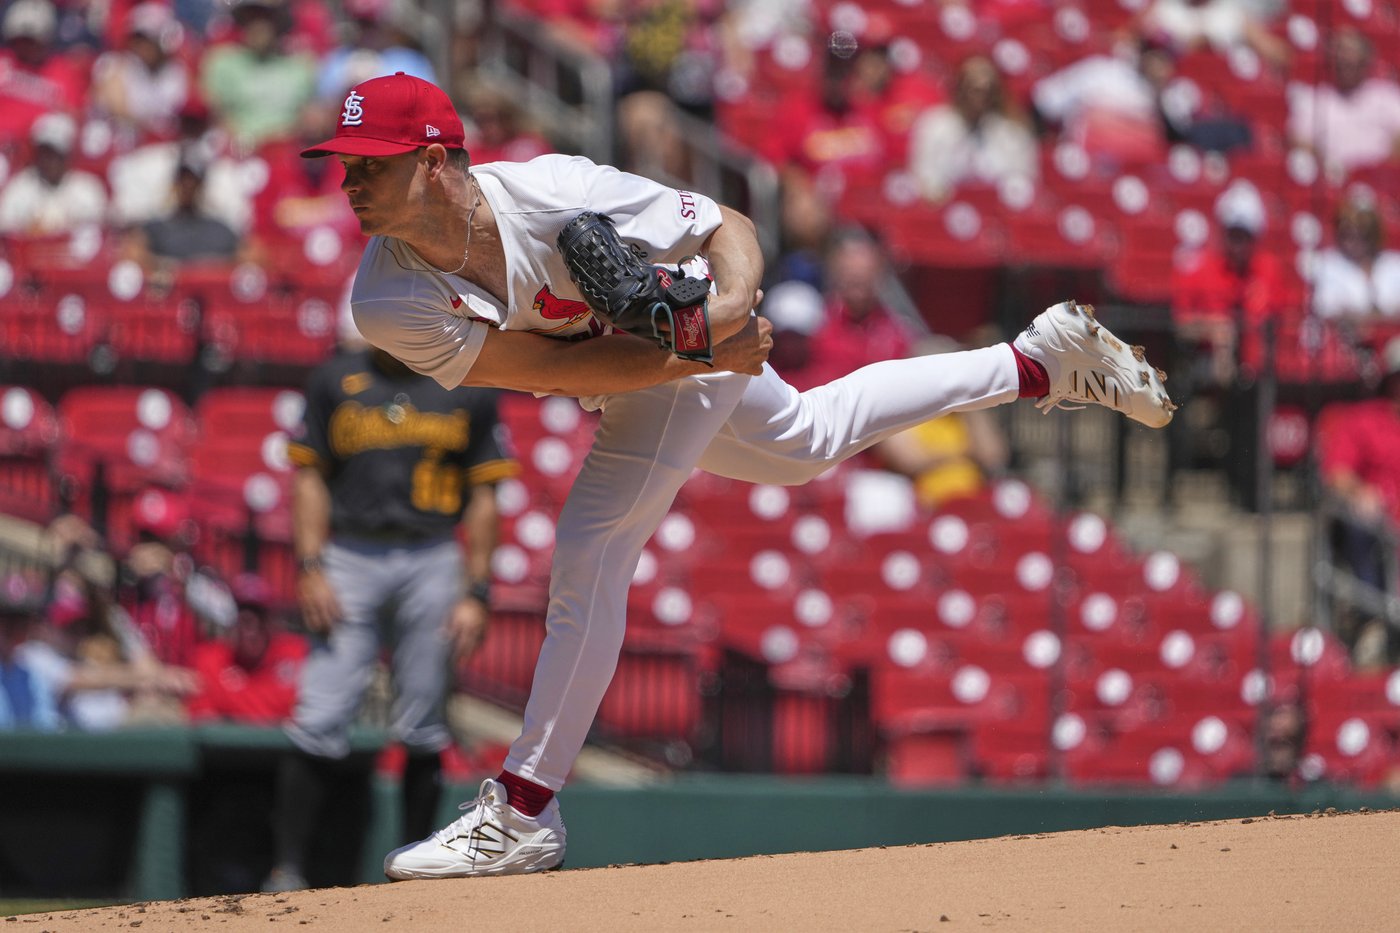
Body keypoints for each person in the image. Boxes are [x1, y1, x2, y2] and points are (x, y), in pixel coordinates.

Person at [300, 72, 1174, 880]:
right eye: (343, 166)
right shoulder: (381, 299)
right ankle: (1034, 361)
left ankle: (526, 806)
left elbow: (728, 224)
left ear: (431, 162)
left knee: (593, 542)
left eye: (366, 166)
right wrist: (698, 352)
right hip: (656, 360)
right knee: (805, 440)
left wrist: (723, 310)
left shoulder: (555, 191)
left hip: (685, 323)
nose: (348, 183)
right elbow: (557, 371)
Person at [263, 320, 518, 892]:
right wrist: (310, 567)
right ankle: (288, 868)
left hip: (432, 553)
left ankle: (415, 871)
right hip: (349, 554)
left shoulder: (464, 382)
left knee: (424, 721)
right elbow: (309, 478)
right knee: (320, 712)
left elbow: (484, 494)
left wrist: (476, 592)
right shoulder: (335, 378)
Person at [1171, 178, 1292, 384]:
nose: (1238, 244)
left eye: (1244, 236)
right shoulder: (1198, 269)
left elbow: (1282, 319)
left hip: (1262, 369)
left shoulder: (1269, 270)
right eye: (1233, 234)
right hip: (1208, 363)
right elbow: (1180, 325)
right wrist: (1214, 329)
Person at [908, 55, 1038, 204]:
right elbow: (922, 175)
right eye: (974, 89)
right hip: (944, 208)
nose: (980, 98)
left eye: (987, 91)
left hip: (998, 211)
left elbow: (1024, 182)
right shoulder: (934, 125)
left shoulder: (1013, 132)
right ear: (960, 88)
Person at [185, 573, 306, 725]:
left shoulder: (297, 654)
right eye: (244, 618)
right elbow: (203, 721)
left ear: (272, 621)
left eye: (260, 617)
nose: (252, 629)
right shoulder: (209, 659)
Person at [1288, 28, 1400, 179]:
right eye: (1340, 52)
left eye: (1351, 52)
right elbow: (1300, 140)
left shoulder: (1387, 94)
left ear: (1366, 60)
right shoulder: (1314, 99)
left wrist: (1383, 171)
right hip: (1332, 179)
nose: (1345, 58)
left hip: (1381, 181)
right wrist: (1328, 163)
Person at [0, 112, 107, 236]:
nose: (51, 161)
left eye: (57, 155)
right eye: (46, 153)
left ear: (69, 156)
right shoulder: (19, 189)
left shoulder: (88, 190)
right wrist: (28, 231)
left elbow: (98, 235)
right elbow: (5, 235)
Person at [1310, 188, 1400, 327]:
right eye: (1348, 234)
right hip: (1346, 342)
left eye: (1363, 234)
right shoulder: (1327, 264)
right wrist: (1382, 318)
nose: (1354, 242)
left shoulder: (1394, 264)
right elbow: (1330, 310)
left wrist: (1367, 318)